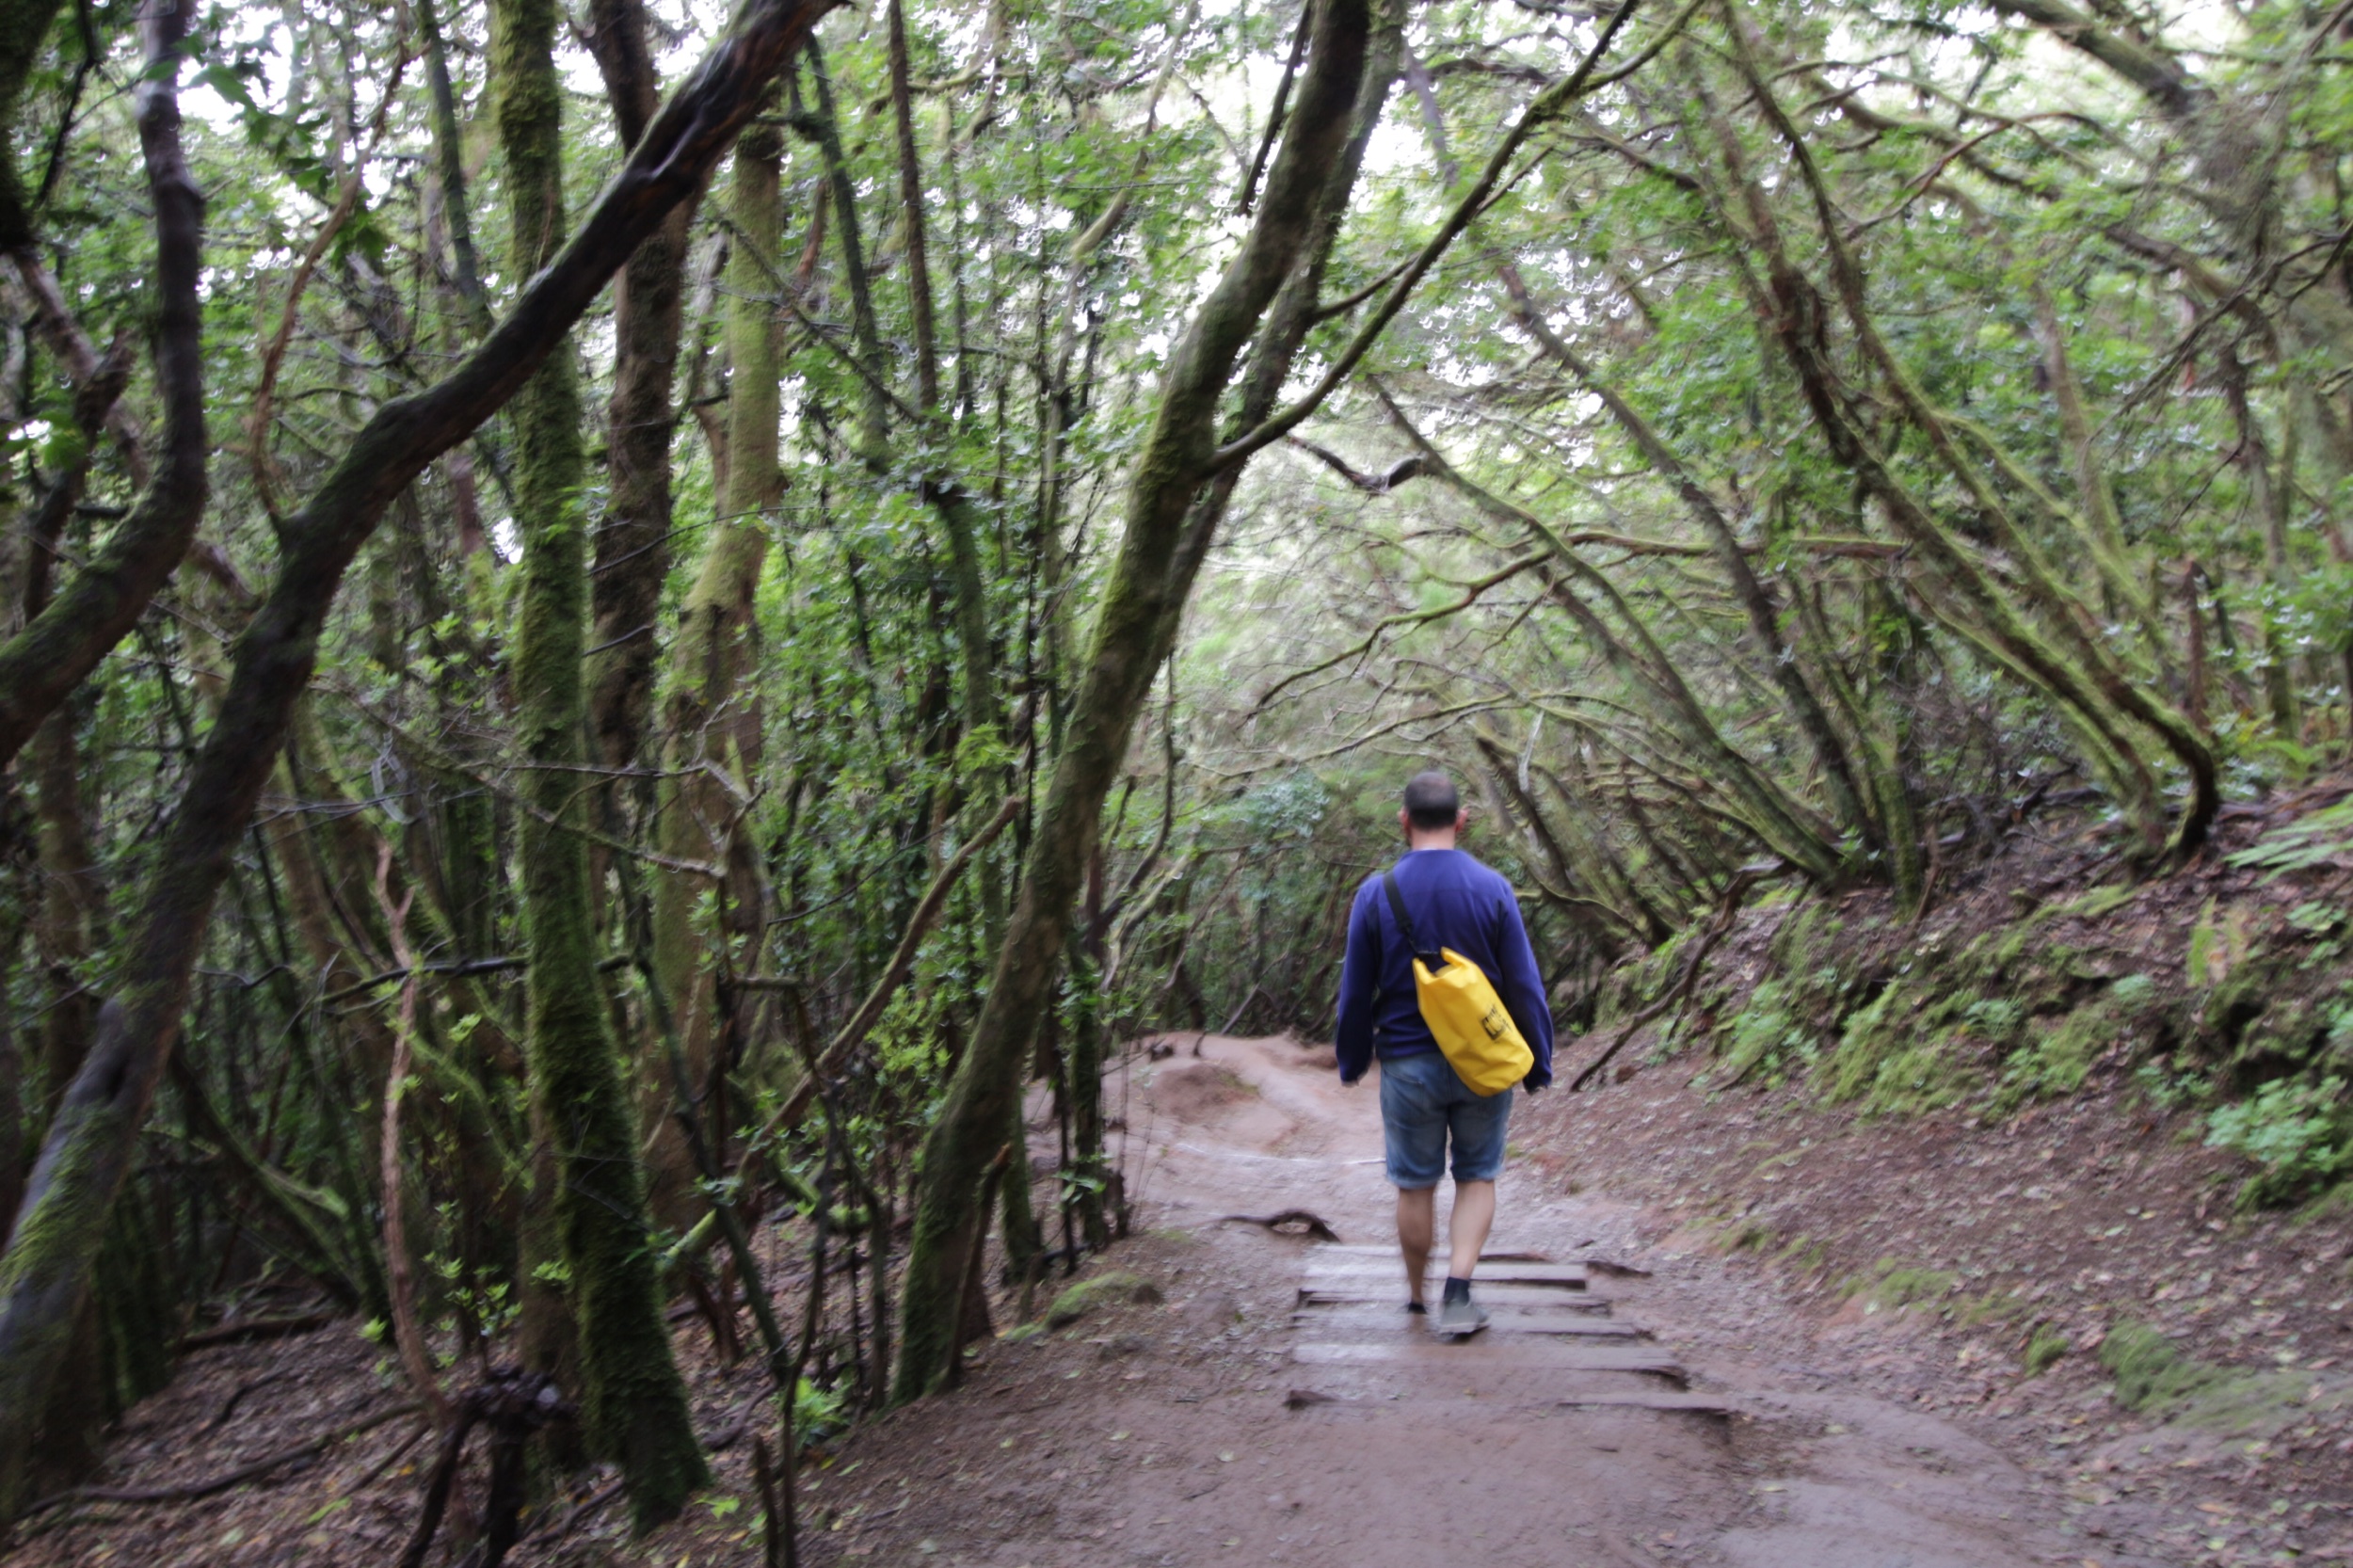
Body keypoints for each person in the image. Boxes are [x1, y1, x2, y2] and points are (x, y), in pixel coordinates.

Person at [1335, 770, 1555, 1336]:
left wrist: (1353, 1059)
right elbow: (1523, 984)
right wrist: (1537, 1061)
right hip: (1483, 1062)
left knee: (1415, 1183)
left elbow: (1356, 992)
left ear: (1404, 821)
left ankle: (1414, 1297)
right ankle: (1459, 1288)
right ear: (1461, 821)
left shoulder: (1375, 893)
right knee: (1478, 1175)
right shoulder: (1494, 888)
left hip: (1408, 1063)